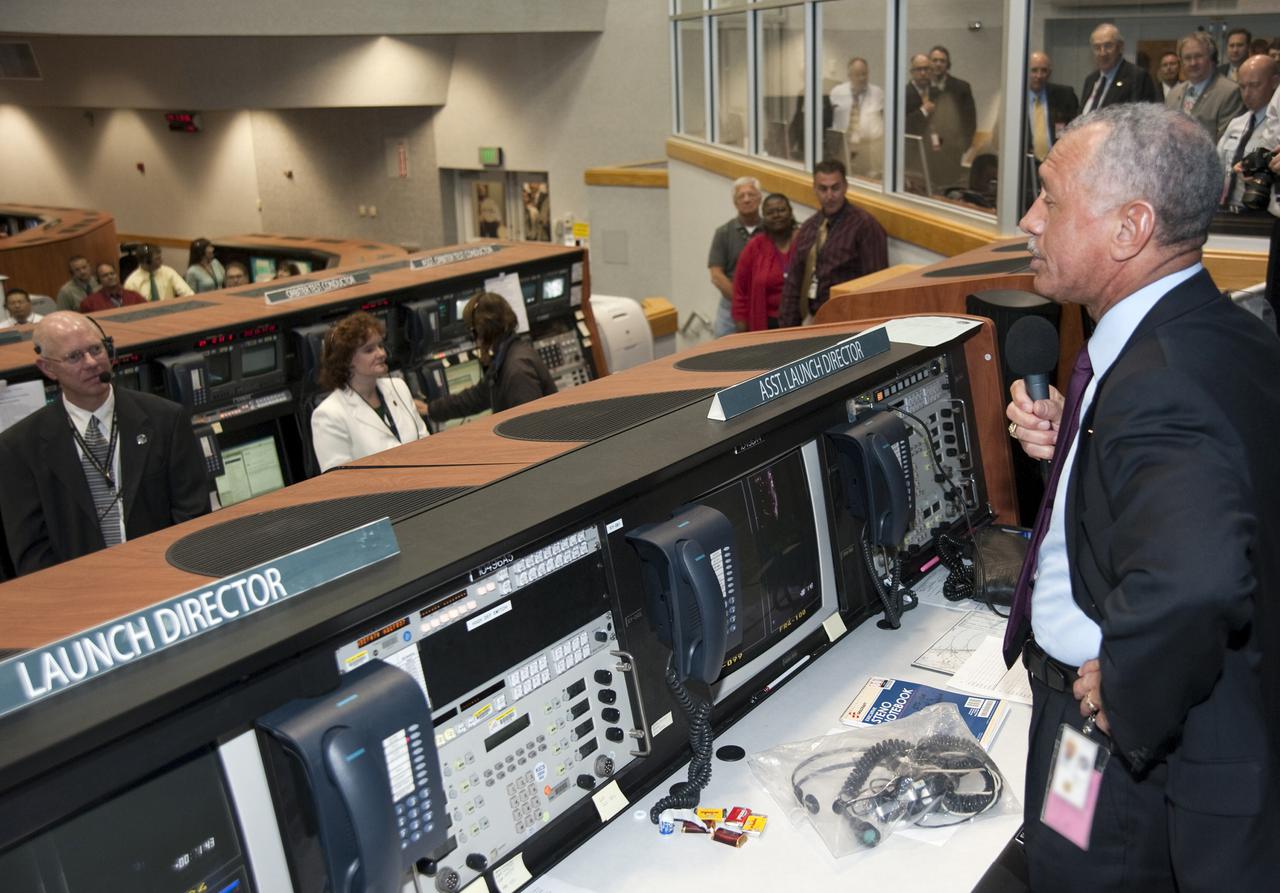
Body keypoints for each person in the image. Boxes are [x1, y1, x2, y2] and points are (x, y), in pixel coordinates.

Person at [1004, 103, 1280, 891]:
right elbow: (1221, 482)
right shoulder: (1216, 330)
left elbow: (1197, 580)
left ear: (1130, 229)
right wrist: (1085, 447)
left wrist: (1125, 687)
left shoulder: (1157, 387)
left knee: (1065, 869)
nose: (1029, 220)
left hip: (1104, 748)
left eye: (1050, 198)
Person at [0, 313, 209, 575]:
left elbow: (193, 513)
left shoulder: (166, 419)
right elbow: (31, 552)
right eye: (74, 356)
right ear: (47, 368)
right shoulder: (17, 448)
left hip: (164, 577)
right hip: (78, 594)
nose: (92, 363)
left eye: (96, 349)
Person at [310, 311, 429, 473]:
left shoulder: (398, 387)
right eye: (369, 350)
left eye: (380, 345)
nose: (381, 354)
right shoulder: (328, 415)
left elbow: (425, 441)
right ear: (345, 360)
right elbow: (341, 481)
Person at [777, 159, 888, 327]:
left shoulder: (865, 226)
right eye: (823, 189)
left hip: (845, 322)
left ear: (845, 187)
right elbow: (794, 281)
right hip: (810, 317)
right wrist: (786, 328)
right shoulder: (809, 227)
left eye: (835, 188)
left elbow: (876, 286)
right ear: (814, 189)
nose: (829, 195)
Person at [427, 292, 556, 424]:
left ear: (480, 331)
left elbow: (532, 430)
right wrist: (431, 409)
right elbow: (477, 397)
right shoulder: (506, 357)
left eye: (472, 335)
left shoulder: (516, 370)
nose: (475, 342)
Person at [1217, 55, 1280, 212]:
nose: (1247, 93)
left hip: (1267, 213)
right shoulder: (1236, 123)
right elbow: (1218, 165)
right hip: (1230, 210)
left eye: (1254, 85)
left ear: (1274, 82)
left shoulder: (1276, 127)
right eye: (1242, 86)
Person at [731, 194, 798, 332]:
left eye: (781, 210)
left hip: (801, 322)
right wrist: (742, 333)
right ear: (764, 218)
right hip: (766, 325)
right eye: (770, 212)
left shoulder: (804, 241)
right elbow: (739, 293)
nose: (776, 215)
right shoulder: (754, 247)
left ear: (791, 212)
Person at [707, 177, 763, 338]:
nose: (746, 200)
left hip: (763, 306)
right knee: (723, 357)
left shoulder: (772, 230)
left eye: (751, 195)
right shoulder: (723, 232)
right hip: (729, 307)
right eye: (741, 196)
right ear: (735, 202)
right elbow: (716, 276)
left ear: (760, 198)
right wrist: (742, 302)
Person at [1165, 31, 1244, 141]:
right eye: (1187, 58)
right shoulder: (1173, 94)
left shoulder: (1230, 92)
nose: (1193, 63)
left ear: (1211, 59)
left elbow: (1225, 141)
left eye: (1198, 56)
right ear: (1182, 62)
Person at [1079, 23, 1160, 116]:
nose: (1102, 53)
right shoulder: (1091, 80)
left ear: (1120, 47)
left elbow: (1144, 119)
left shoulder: (1137, 77)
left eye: (1108, 46)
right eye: (1097, 47)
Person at [925, 45, 977, 188]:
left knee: (950, 187)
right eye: (934, 60)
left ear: (948, 64)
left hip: (952, 151)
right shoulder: (922, 87)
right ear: (929, 62)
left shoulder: (962, 87)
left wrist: (964, 146)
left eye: (942, 61)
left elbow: (970, 120)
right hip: (927, 151)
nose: (938, 64)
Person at [829, 57, 885, 179]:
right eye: (857, 75)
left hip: (869, 148)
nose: (862, 78)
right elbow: (833, 117)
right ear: (849, 75)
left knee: (869, 181)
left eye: (864, 74)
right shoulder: (837, 92)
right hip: (844, 147)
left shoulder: (878, 93)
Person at [1027, 52, 1079, 163]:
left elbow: (1075, 130)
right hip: (1026, 166)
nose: (1039, 75)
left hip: (1058, 163)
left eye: (1044, 70)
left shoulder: (1064, 96)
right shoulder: (1016, 100)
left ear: (1050, 73)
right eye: (1034, 70)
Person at [124, 244, 194, 301]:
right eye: (157, 259)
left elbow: (187, 292)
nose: (161, 261)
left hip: (170, 312)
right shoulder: (131, 282)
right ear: (146, 261)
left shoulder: (168, 272)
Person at [80, 263, 147, 313]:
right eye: (105, 275)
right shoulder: (89, 303)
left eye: (112, 273)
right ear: (99, 280)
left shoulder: (134, 296)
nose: (110, 277)